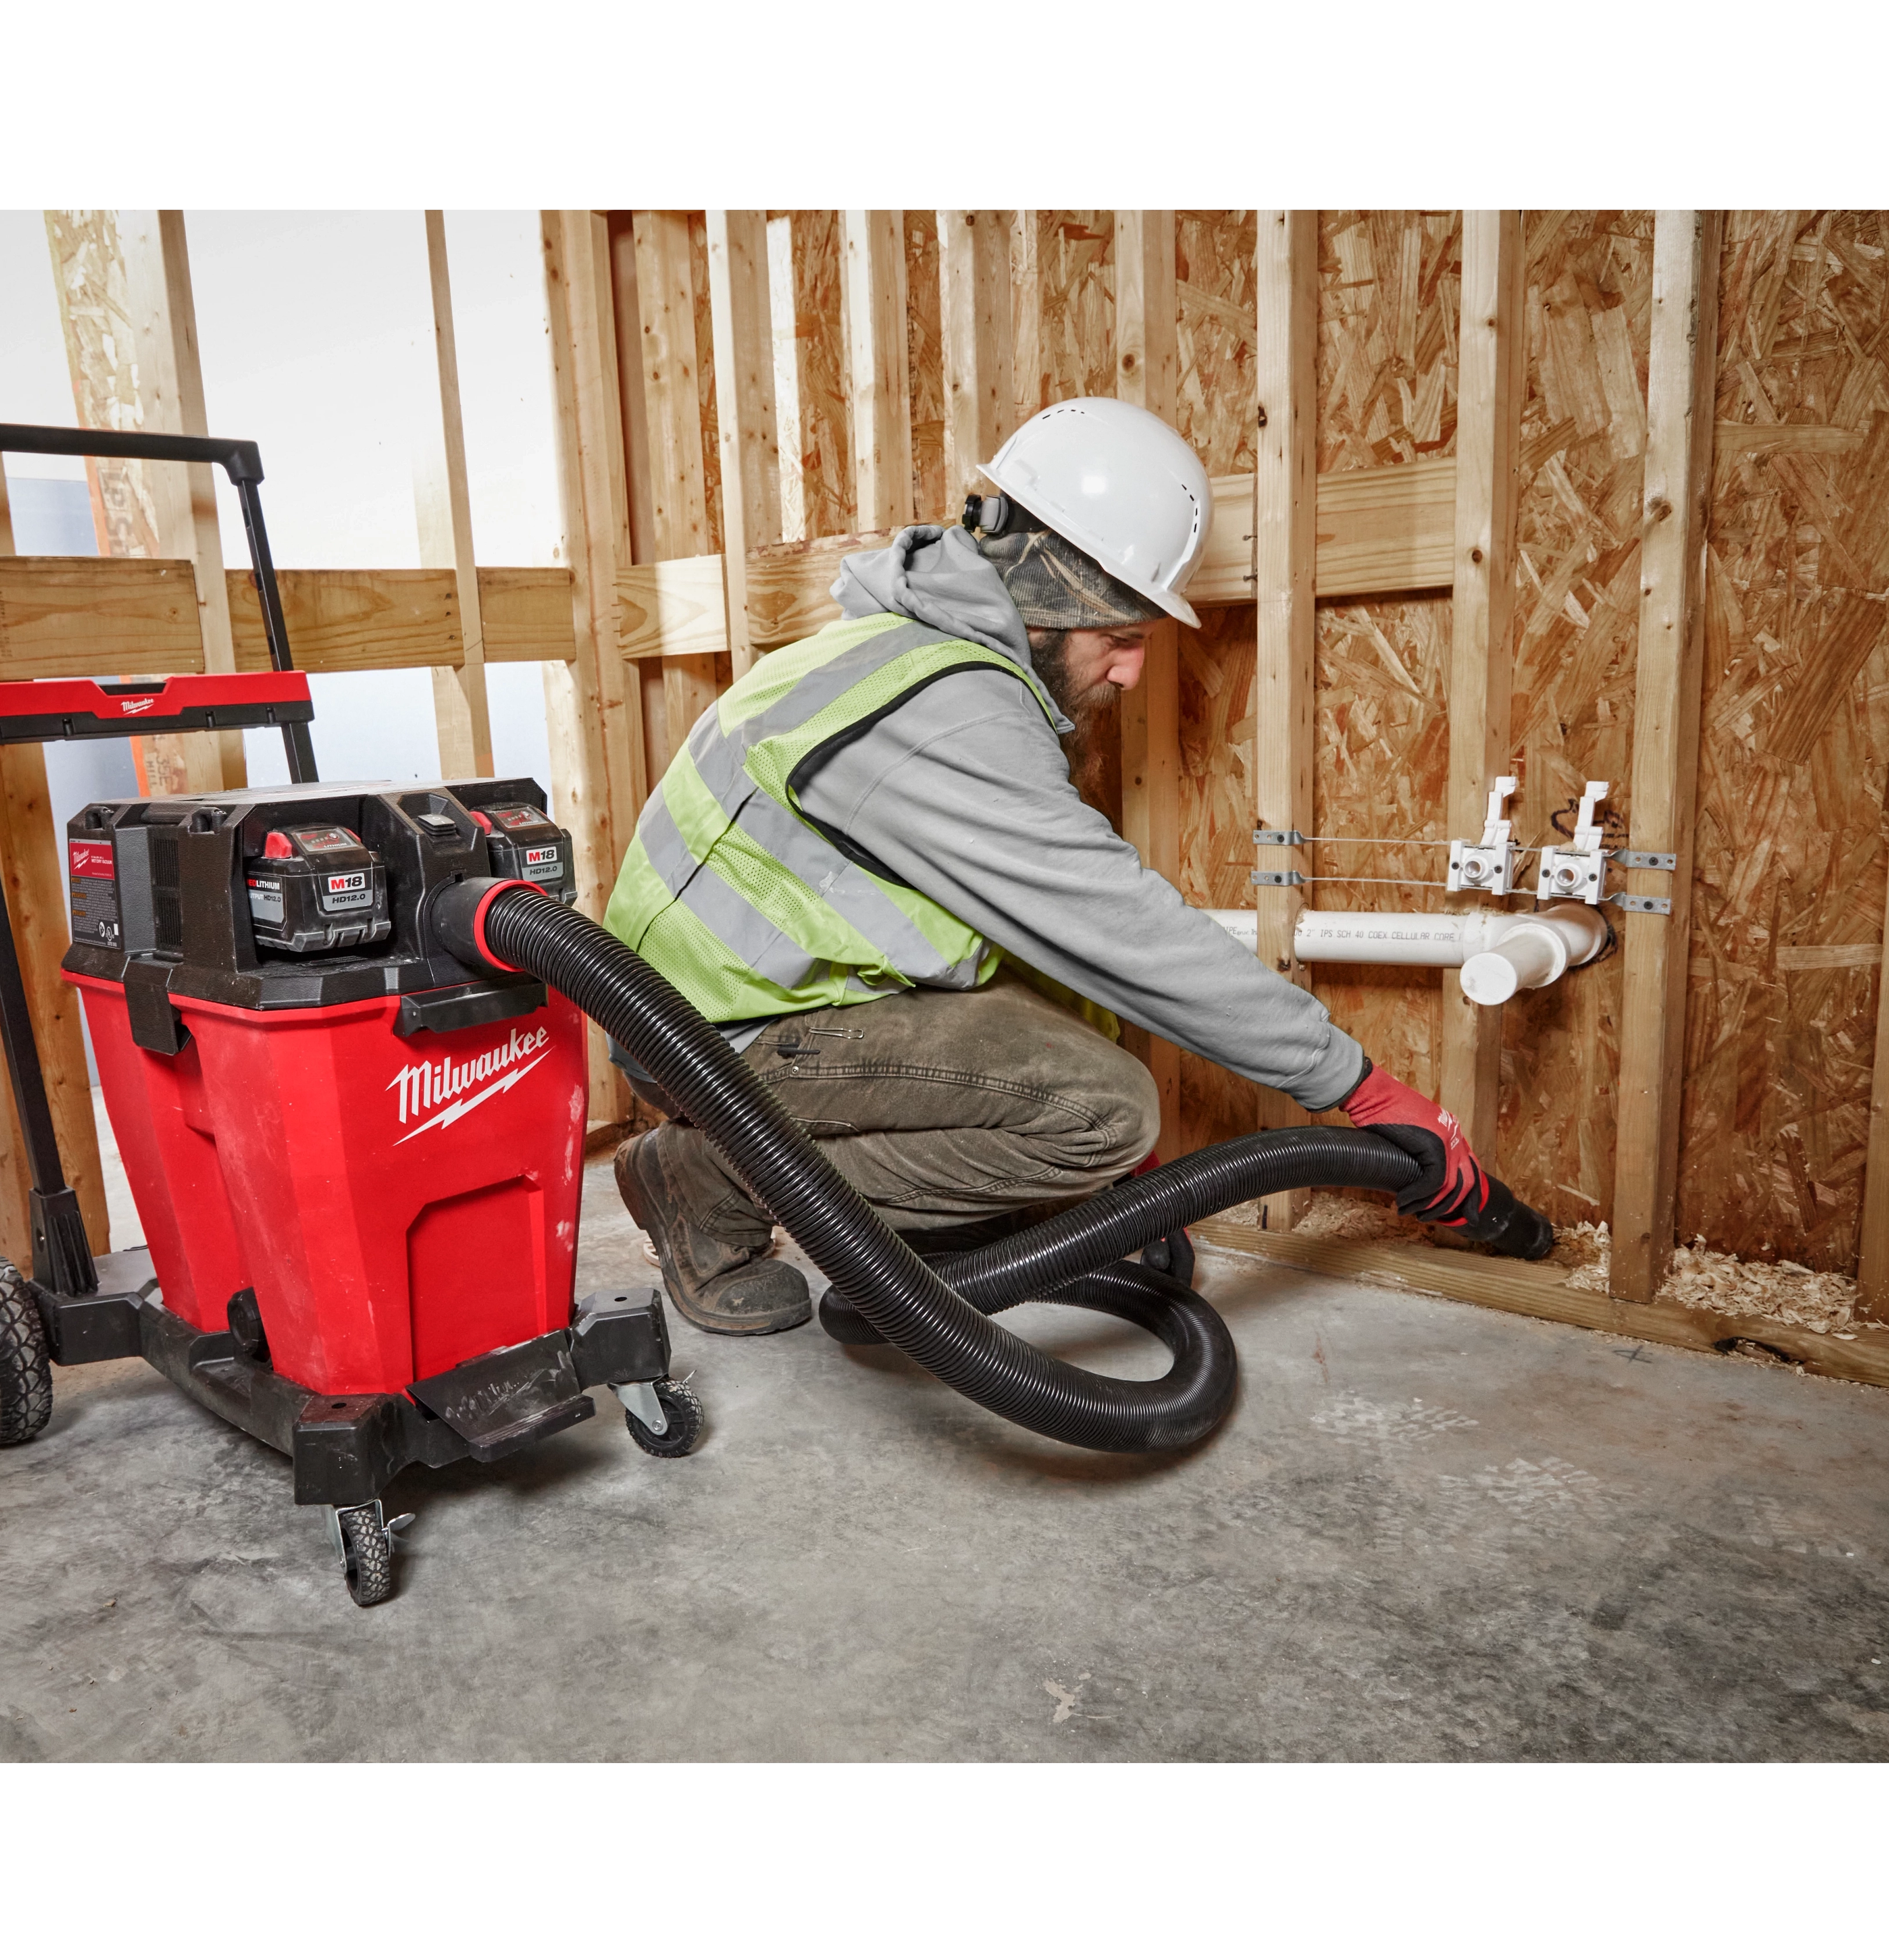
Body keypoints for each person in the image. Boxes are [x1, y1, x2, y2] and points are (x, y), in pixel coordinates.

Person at [604, 396, 1486, 1334]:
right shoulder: (950, 714)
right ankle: (707, 1179)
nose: (1133, 673)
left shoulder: (924, 661)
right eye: (1124, 638)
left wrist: (1119, 1193)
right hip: (712, 1040)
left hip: (767, 1004)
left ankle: (843, 1186)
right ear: (1053, 602)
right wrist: (1357, 1085)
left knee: (1084, 1110)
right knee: (1105, 1113)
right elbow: (1116, 925)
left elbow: (1043, 938)